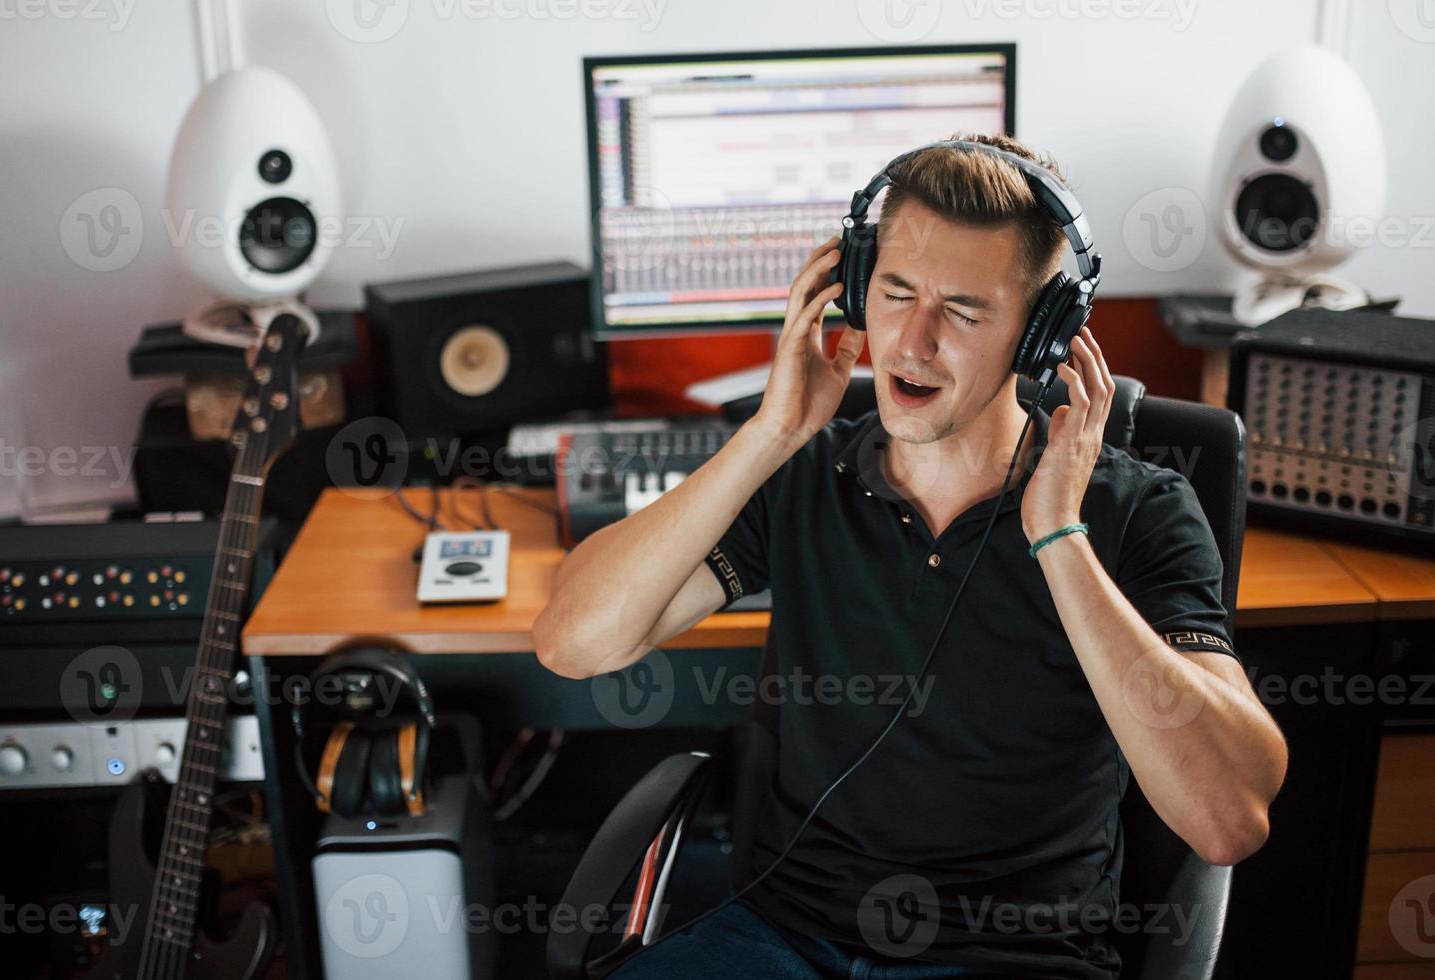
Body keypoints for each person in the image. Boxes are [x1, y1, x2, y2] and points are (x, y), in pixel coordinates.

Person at [532, 133, 1287, 979]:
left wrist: (1058, 538)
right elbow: (573, 642)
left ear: (1043, 333)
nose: (912, 343)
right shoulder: (806, 475)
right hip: (781, 940)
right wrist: (771, 433)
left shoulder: (1135, 510)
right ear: (855, 290)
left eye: (963, 312)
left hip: (1014, 960)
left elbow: (1229, 820)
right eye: (894, 293)